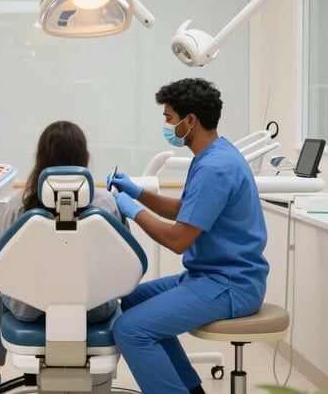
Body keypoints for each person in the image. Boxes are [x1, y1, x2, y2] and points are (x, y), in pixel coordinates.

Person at [109, 78, 269, 394]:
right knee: (128, 300)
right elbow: (188, 209)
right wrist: (139, 193)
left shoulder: (215, 168)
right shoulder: (213, 155)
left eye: (169, 118)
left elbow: (178, 239)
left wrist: (132, 210)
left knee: (130, 330)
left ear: (190, 120)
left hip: (229, 285)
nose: (168, 126)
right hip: (207, 275)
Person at [0, 120, 126, 387]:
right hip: (95, 309)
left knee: (3, 294)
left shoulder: (20, 203)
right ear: (84, 157)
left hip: (30, 308)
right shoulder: (105, 201)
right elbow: (123, 259)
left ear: (41, 157)